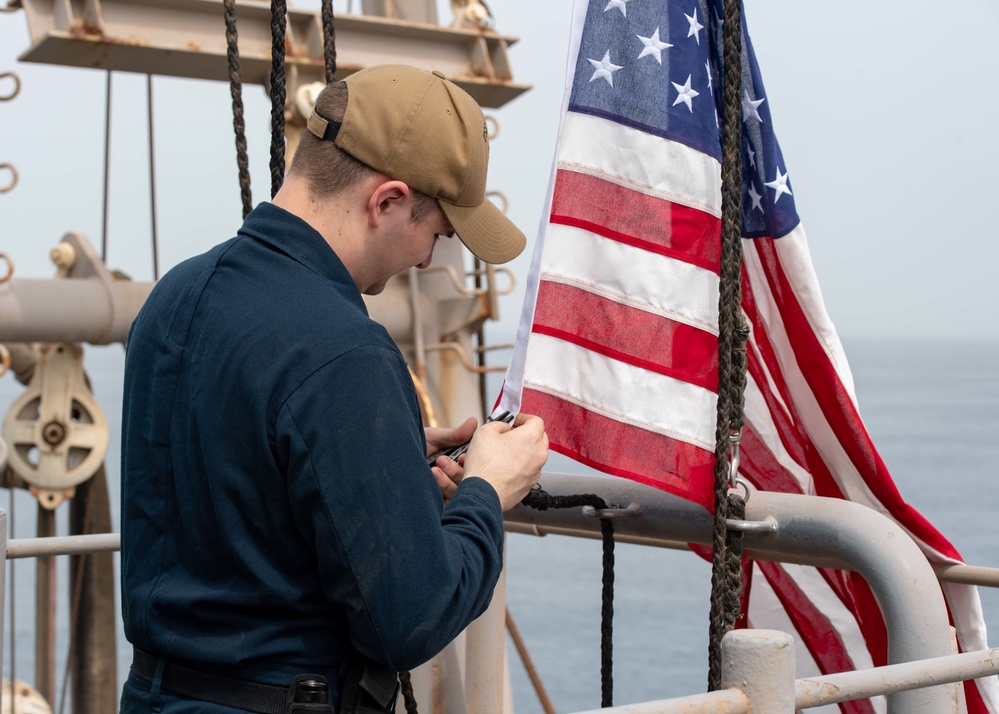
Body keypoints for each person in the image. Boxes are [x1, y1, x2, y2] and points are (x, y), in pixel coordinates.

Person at [119, 64, 549, 713]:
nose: (428, 260)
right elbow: (408, 619)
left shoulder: (175, 296)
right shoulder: (344, 351)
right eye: (435, 233)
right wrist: (488, 491)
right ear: (386, 201)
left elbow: (244, 471)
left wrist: (388, 459)